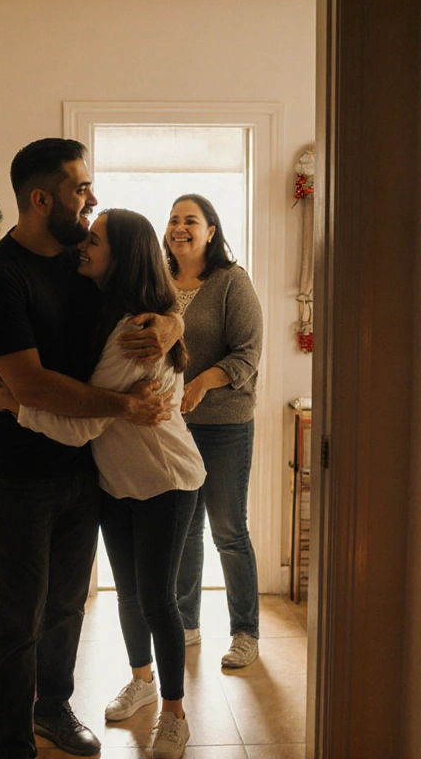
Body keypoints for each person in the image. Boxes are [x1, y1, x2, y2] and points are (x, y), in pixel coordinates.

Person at [0, 138, 180, 759]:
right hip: (19, 473)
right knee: (16, 620)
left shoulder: (80, 260)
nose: (91, 199)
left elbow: (151, 291)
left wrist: (172, 323)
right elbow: (29, 385)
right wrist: (123, 407)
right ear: (41, 198)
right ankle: (9, 738)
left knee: (66, 608)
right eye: (80, 188)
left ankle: (53, 710)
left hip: (85, 468)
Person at [166, 193, 264, 669]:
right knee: (184, 531)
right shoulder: (159, 285)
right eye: (173, 219)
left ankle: (245, 631)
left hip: (225, 425)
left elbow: (247, 354)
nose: (179, 227)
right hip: (173, 428)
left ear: (211, 231)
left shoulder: (231, 282)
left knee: (228, 530)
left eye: (190, 220)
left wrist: (203, 381)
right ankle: (186, 622)